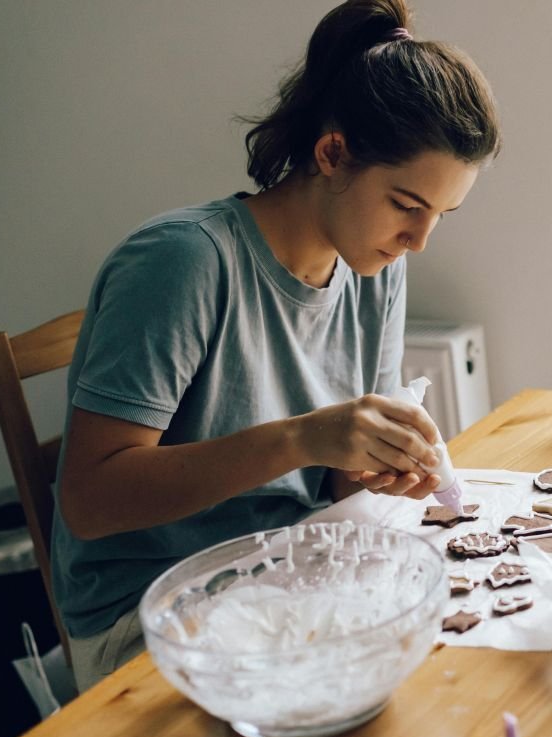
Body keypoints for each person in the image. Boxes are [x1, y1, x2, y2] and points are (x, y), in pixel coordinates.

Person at [51, 0, 501, 691]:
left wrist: (375, 462)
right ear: (332, 153)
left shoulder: (376, 267)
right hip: (151, 618)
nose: (419, 239)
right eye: (408, 206)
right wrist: (302, 439)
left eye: (442, 215)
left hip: (294, 566)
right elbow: (89, 498)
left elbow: (336, 475)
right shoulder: (184, 262)